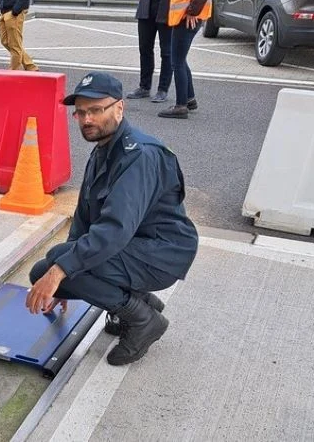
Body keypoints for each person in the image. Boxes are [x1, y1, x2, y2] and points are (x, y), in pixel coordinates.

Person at [25, 71, 198, 366]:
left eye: (95, 110)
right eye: (80, 112)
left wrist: (59, 272)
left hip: (162, 252)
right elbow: (84, 220)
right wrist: (64, 278)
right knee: (54, 263)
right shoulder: (104, 150)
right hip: (137, 246)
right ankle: (142, 303)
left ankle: (143, 320)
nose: (87, 119)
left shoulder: (138, 156)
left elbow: (114, 231)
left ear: (119, 108)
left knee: (51, 267)